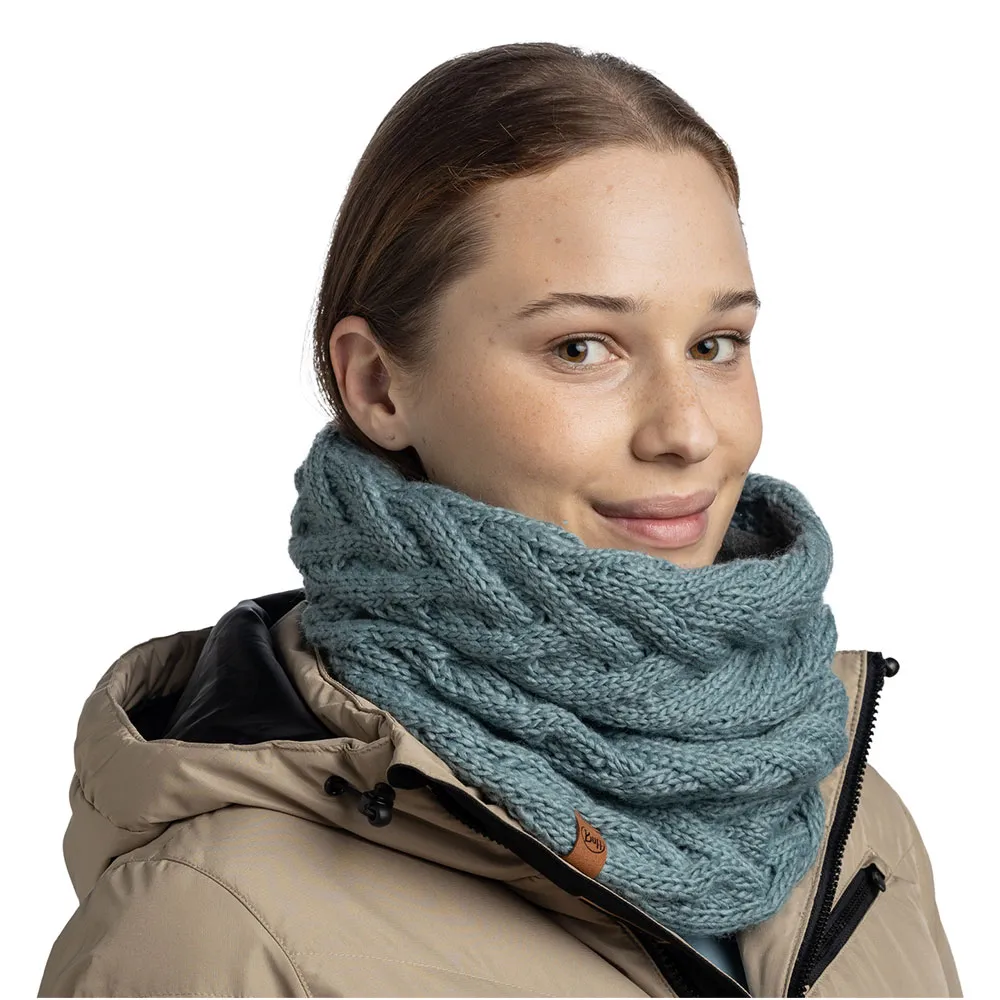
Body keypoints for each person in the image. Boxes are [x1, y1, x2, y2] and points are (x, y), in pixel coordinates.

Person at [37, 41, 961, 998]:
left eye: (716, 343)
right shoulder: (215, 929)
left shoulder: (844, 815)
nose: (688, 432)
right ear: (378, 385)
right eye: (581, 348)